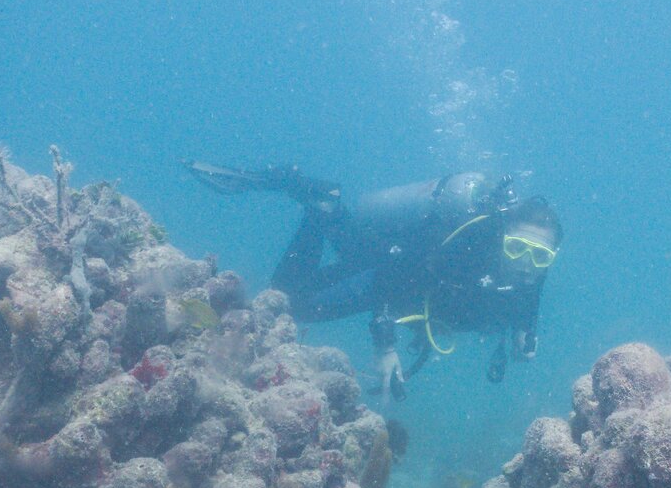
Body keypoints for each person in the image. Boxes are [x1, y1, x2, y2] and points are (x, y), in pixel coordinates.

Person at [186, 162, 560, 398]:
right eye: (516, 248)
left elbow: (531, 295)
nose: (526, 264)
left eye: (540, 256)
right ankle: (318, 207)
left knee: (349, 246)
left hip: (386, 259)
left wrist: (527, 331)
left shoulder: (528, 277)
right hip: (389, 265)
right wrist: (384, 346)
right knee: (291, 302)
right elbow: (392, 277)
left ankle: (327, 209)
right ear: (501, 239)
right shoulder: (467, 251)